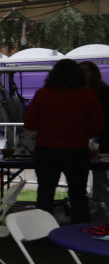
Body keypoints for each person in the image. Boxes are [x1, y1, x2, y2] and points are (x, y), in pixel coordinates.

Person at [24, 58, 104, 223]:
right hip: (76, 150)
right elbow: (96, 127)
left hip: (46, 149)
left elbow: (29, 123)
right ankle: (79, 232)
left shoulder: (42, 94)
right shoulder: (89, 95)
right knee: (78, 194)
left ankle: (40, 233)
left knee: (45, 193)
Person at [81, 61, 109, 218]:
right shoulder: (79, 92)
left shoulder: (103, 92)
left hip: (101, 141)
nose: (85, 74)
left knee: (101, 178)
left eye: (87, 70)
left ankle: (102, 212)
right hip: (83, 140)